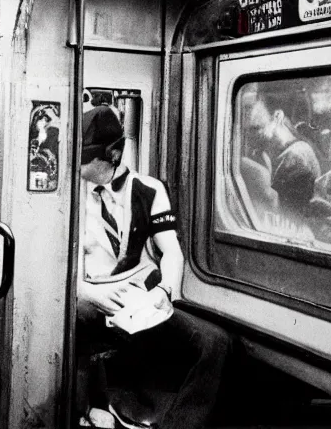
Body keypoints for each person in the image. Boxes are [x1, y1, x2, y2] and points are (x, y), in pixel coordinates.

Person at [76, 105, 231, 429]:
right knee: (75, 320)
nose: (78, 162)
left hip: (134, 298)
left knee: (214, 342)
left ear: (113, 153)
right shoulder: (67, 194)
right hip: (84, 294)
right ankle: (94, 408)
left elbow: (172, 254)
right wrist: (87, 294)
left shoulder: (150, 190)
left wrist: (164, 292)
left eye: (86, 156)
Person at [241, 90, 321, 218]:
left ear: (277, 117)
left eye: (256, 128)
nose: (250, 138)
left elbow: (288, 214)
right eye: (245, 132)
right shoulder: (271, 153)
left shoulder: (295, 157)